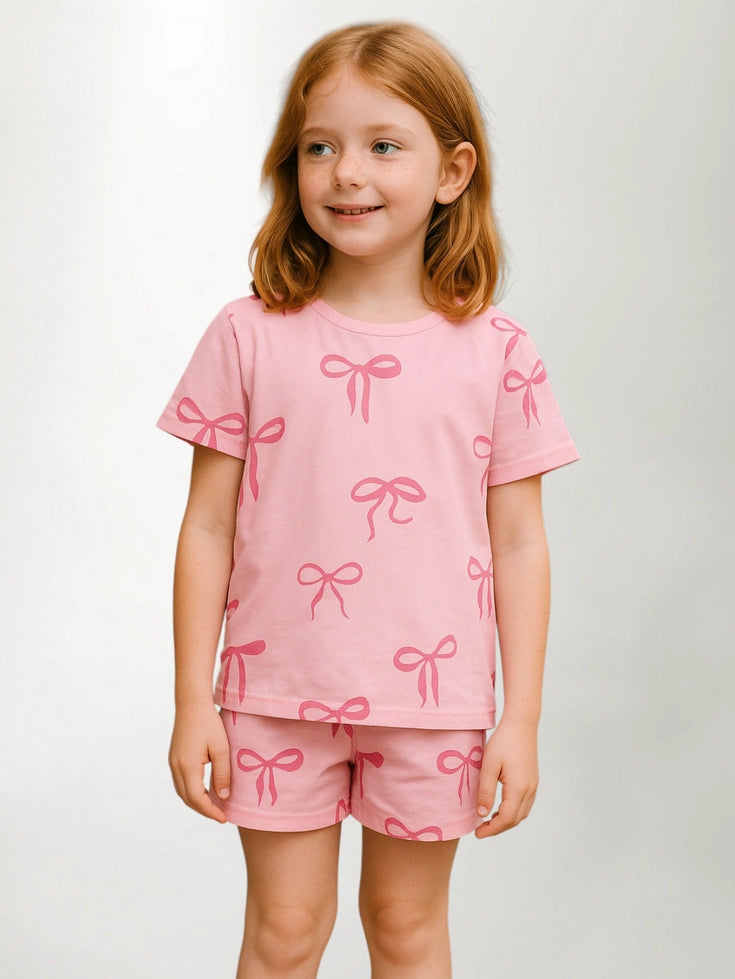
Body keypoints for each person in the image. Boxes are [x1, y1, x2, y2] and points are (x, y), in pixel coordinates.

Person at [157, 21, 579, 979]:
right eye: (320, 147)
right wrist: (191, 699)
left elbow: (519, 542)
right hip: (272, 695)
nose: (346, 172)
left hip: (434, 705)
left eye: (383, 145)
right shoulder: (246, 336)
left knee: (405, 929)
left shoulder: (499, 353)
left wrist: (519, 718)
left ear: (452, 171)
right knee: (283, 932)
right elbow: (208, 526)